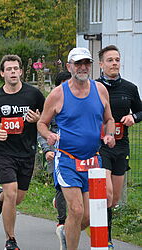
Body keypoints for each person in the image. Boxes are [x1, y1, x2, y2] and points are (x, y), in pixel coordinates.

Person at [38, 47, 115, 250]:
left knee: (87, 216)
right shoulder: (57, 94)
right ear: (69, 66)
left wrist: (109, 134)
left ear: (90, 65)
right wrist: (49, 136)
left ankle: (66, 231)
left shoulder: (100, 90)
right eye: (78, 63)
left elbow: (109, 119)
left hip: (92, 161)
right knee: (76, 209)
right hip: (67, 159)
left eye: (86, 63)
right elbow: (41, 123)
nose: (82, 67)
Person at [0, 55, 45, 250]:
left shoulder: (34, 95)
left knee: (18, 197)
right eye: (9, 69)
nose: (13, 72)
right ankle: (11, 240)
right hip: (3, 152)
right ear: (2, 73)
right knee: (12, 192)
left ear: (21, 72)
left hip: (27, 151)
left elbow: (46, 117)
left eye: (16, 68)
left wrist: (38, 119)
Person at [95, 45, 142, 249]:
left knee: (113, 199)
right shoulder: (93, 87)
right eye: (110, 60)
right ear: (101, 64)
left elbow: (141, 112)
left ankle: (88, 219)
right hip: (100, 146)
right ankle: (106, 238)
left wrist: (133, 116)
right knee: (106, 193)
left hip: (121, 146)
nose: (114, 63)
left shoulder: (129, 88)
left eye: (117, 59)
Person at [37, 71, 71, 247]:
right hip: (55, 152)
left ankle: (59, 204)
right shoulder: (52, 102)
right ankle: (62, 223)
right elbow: (41, 127)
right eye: (64, 84)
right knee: (61, 186)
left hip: (76, 153)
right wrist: (47, 150)